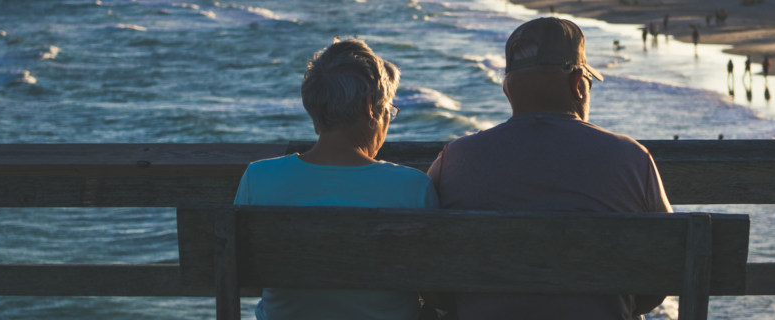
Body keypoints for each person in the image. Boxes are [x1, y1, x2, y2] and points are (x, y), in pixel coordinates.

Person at [425, 17, 672, 320]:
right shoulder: (632, 158)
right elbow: (667, 264)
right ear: (578, 84)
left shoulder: (454, 159)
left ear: (507, 90)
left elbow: (426, 267)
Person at [236, 38, 438, 320]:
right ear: (371, 107)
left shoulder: (257, 179)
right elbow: (434, 288)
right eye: (388, 111)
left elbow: (250, 276)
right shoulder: (412, 188)